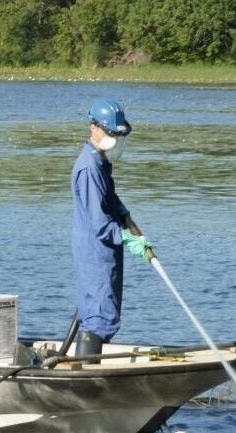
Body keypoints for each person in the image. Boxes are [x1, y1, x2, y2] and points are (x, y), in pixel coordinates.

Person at [70, 98, 153, 358]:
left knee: (105, 311)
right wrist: (128, 239)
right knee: (100, 316)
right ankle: (85, 372)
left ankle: (89, 363)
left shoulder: (101, 162)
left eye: (117, 135)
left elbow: (108, 200)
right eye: (110, 133)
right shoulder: (89, 166)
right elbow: (99, 224)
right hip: (96, 250)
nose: (114, 139)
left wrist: (123, 212)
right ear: (94, 128)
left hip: (106, 251)